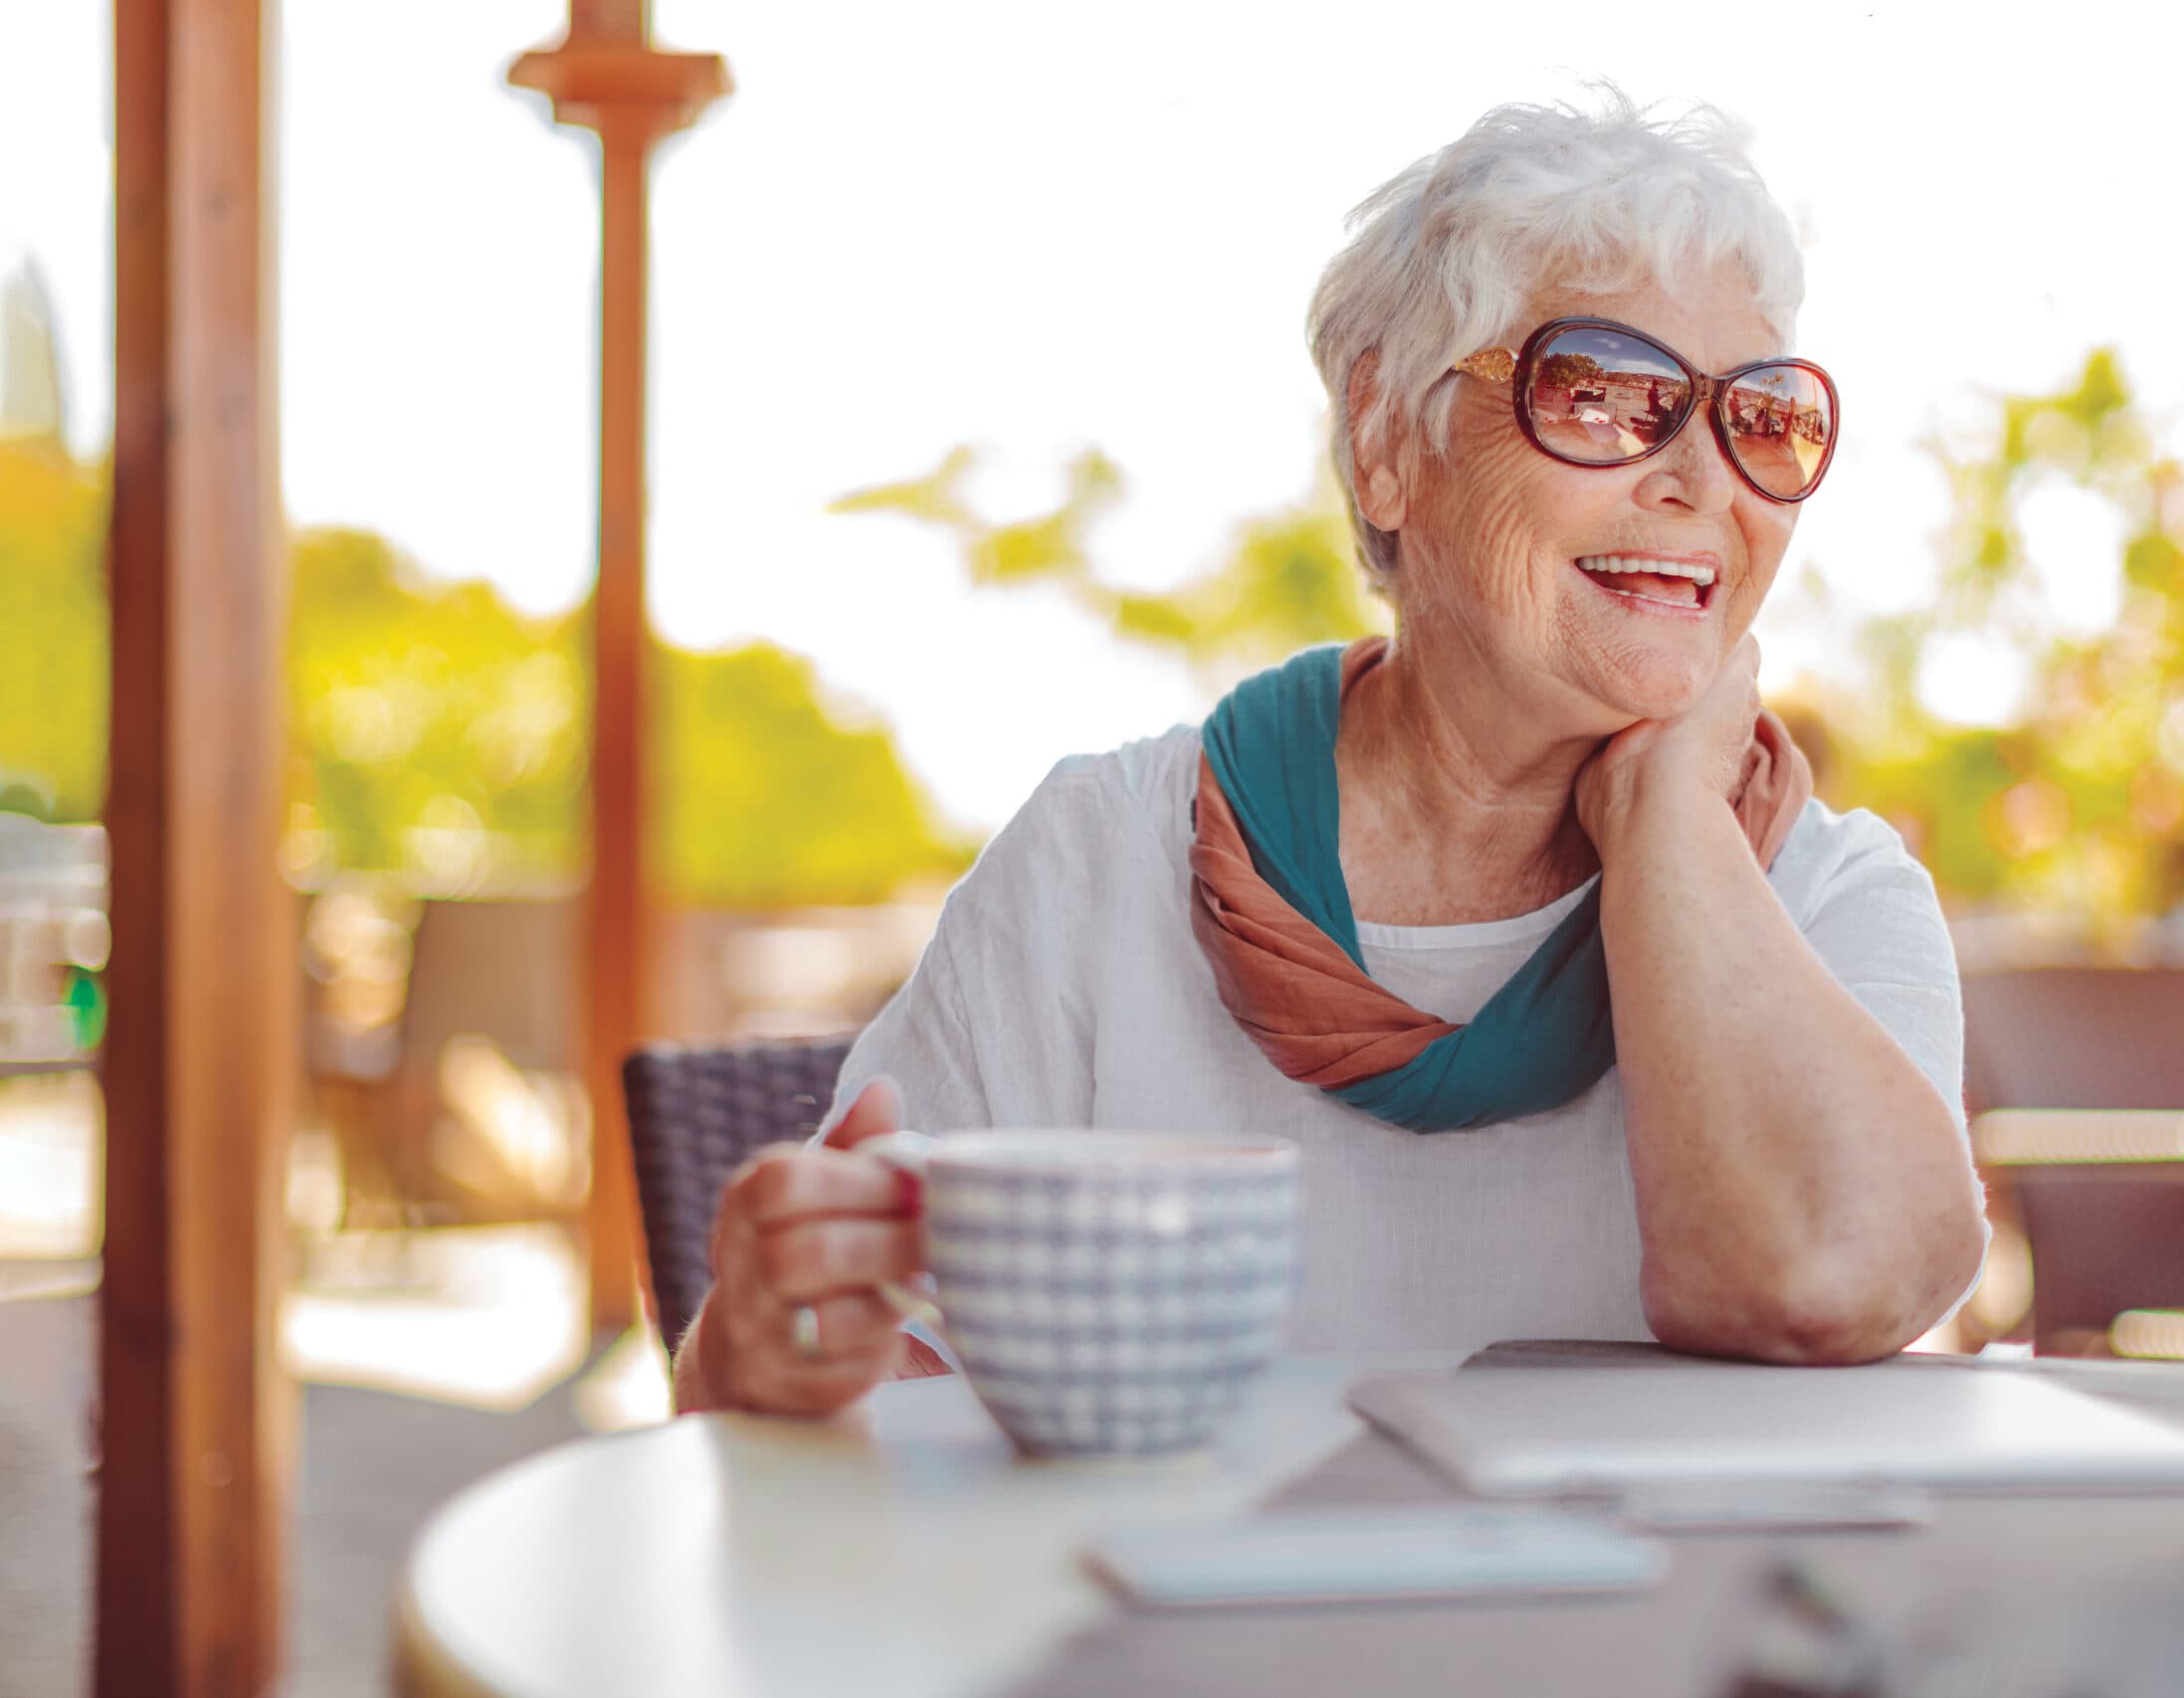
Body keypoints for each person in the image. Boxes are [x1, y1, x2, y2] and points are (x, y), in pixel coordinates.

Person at [679, 93, 1987, 1419]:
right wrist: (767, 1350)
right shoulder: (1102, 861)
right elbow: (837, 1398)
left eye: (1760, 417)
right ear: (1385, 443)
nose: (1704, 480)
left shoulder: (1830, 900)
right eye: (1600, 394)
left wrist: (1669, 815)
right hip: (1167, 1622)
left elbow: (1827, 1283)